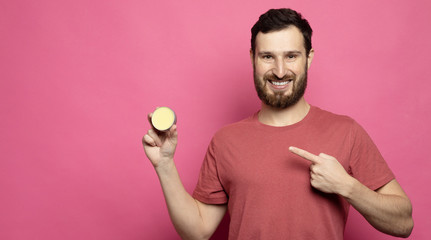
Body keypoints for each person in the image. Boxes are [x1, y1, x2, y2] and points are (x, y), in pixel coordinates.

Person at [143, 8, 413, 239]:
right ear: (253, 59)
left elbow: (403, 223)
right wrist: (165, 165)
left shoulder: (347, 132)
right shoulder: (225, 141)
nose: (280, 71)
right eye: (268, 56)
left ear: (309, 58)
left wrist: (348, 187)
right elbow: (198, 231)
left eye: (291, 56)